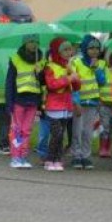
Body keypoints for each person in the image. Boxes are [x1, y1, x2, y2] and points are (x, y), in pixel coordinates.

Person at [42, 38, 81, 171]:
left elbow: (76, 87)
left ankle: (57, 159)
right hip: (54, 106)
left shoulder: (69, 66)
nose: (68, 52)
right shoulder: (50, 67)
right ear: (57, 51)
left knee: (61, 134)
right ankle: (50, 158)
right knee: (56, 134)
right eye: (65, 49)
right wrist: (68, 78)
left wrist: (75, 78)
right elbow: (52, 85)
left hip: (66, 106)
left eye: (70, 49)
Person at [6, 35, 43, 169]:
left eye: (36, 42)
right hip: (18, 100)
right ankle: (15, 156)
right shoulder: (15, 59)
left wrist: (40, 73)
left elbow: (43, 83)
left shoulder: (40, 60)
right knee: (17, 130)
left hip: (32, 100)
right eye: (31, 42)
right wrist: (9, 102)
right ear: (25, 43)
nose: (34, 44)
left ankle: (23, 156)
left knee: (26, 130)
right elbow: (9, 82)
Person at [70, 36, 104, 169]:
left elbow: (102, 82)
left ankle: (86, 155)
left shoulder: (99, 64)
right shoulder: (77, 63)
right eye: (91, 48)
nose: (94, 51)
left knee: (88, 131)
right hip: (80, 103)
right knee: (77, 130)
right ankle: (76, 155)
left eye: (97, 48)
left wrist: (96, 69)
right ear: (85, 48)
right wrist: (76, 102)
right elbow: (74, 84)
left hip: (92, 103)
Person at [97, 50, 112, 158]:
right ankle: (102, 148)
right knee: (105, 126)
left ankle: (108, 148)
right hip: (104, 104)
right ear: (111, 61)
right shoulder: (105, 70)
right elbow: (99, 83)